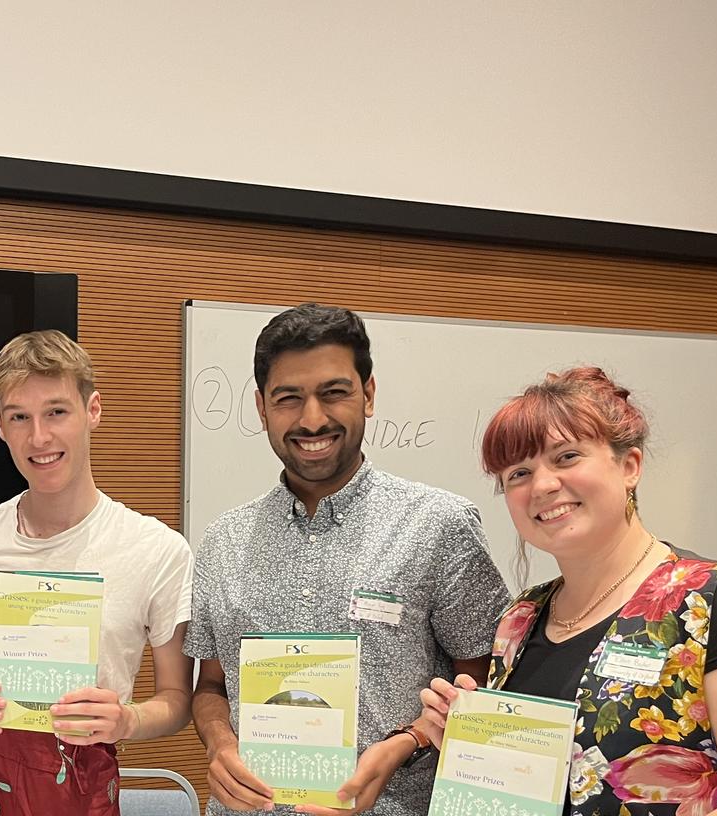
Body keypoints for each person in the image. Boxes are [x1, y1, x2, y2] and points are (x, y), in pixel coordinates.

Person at [404, 367, 717, 816]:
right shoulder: (521, 618)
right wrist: (471, 747)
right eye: (519, 473)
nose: (542, 485)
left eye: (566, 457)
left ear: (629, 466)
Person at [185, 303, 510, 816]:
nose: (312, 419)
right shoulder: (224, 540)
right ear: (261, 408)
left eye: (333, 393)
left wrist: (411, 739)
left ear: (369, 394)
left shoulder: (437, 525)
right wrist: (220, 745)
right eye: (288, 398)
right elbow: (210, 687)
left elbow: (489, 687)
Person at [0, 329, 193, 815]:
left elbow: (176, 699)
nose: (38, 437)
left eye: (56, 412)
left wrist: (125, 719)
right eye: (19, 417)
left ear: (94, 411)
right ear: (0, 426)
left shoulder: (157, 550)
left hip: (82, 797)